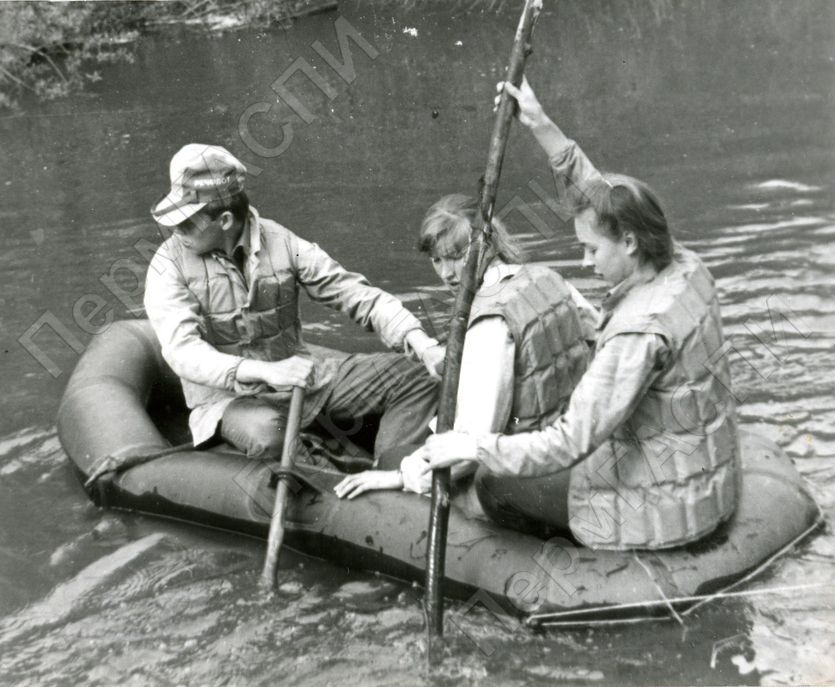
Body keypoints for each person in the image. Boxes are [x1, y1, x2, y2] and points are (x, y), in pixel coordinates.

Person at [417, 78, 742, 551]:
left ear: (628, 242)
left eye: (591, 249)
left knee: (492, 482)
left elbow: (569, 443)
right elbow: (604, 197)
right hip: (698, 472)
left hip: (659, 506)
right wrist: (539, 123)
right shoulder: (686, 266)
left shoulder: (636, 333)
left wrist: (474, 446)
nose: (586, 263)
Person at [144, 144, 445, 462]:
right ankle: (322, 472)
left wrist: (421, 343)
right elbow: (182, 352)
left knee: (418, 377)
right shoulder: (168, 264)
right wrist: (266, 371)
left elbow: (355, 294)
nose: (176, 231)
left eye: (186, 223)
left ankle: (392, 474)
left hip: (304, 385)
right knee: (269, 434)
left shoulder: (284, 243)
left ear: (225, 220)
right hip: (228, 400)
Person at [333, 192, 597, 502]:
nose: (446, 273)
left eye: (457, 256)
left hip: (521, 467)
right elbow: (598, 342)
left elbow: (471, 443)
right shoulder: (548, 277)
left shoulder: (489, 323)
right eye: (437, 260)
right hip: (569, 440)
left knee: (393, 458)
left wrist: (401, 475)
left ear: (488, 244)